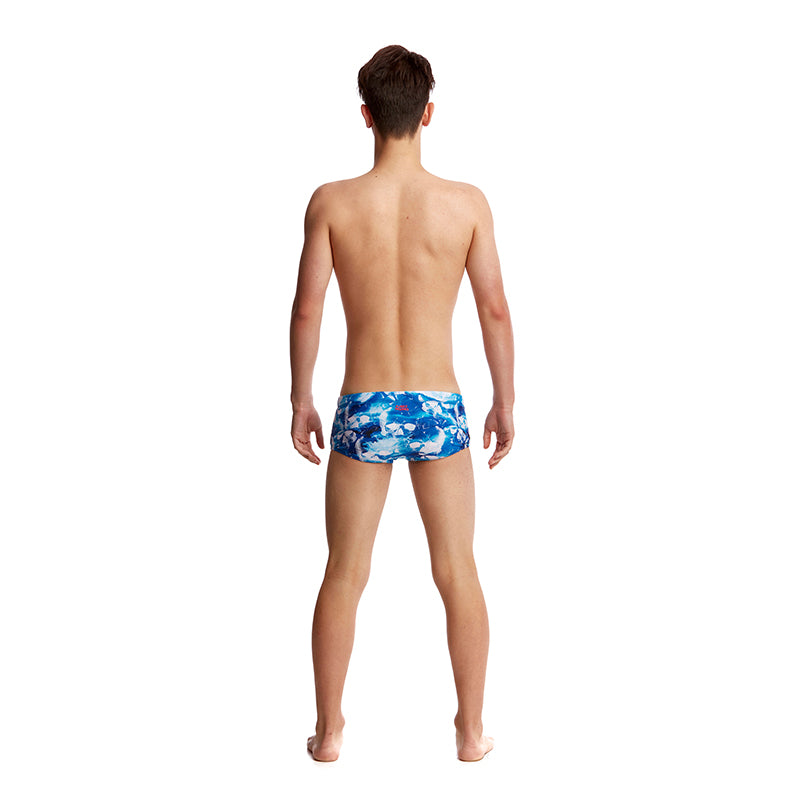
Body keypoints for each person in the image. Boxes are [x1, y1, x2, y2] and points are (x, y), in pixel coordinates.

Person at [289, 44, 514, 762]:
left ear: (366, 115)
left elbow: (306, 309)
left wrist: (300, 399)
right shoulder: (466, 204)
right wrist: (505, 402)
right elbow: (494, 309)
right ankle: (470, 733)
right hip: (438, 406)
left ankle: (329, 734)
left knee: (344, 572)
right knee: (457, 569)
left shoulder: (332, 202)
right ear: (428, 113)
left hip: (364, 407)